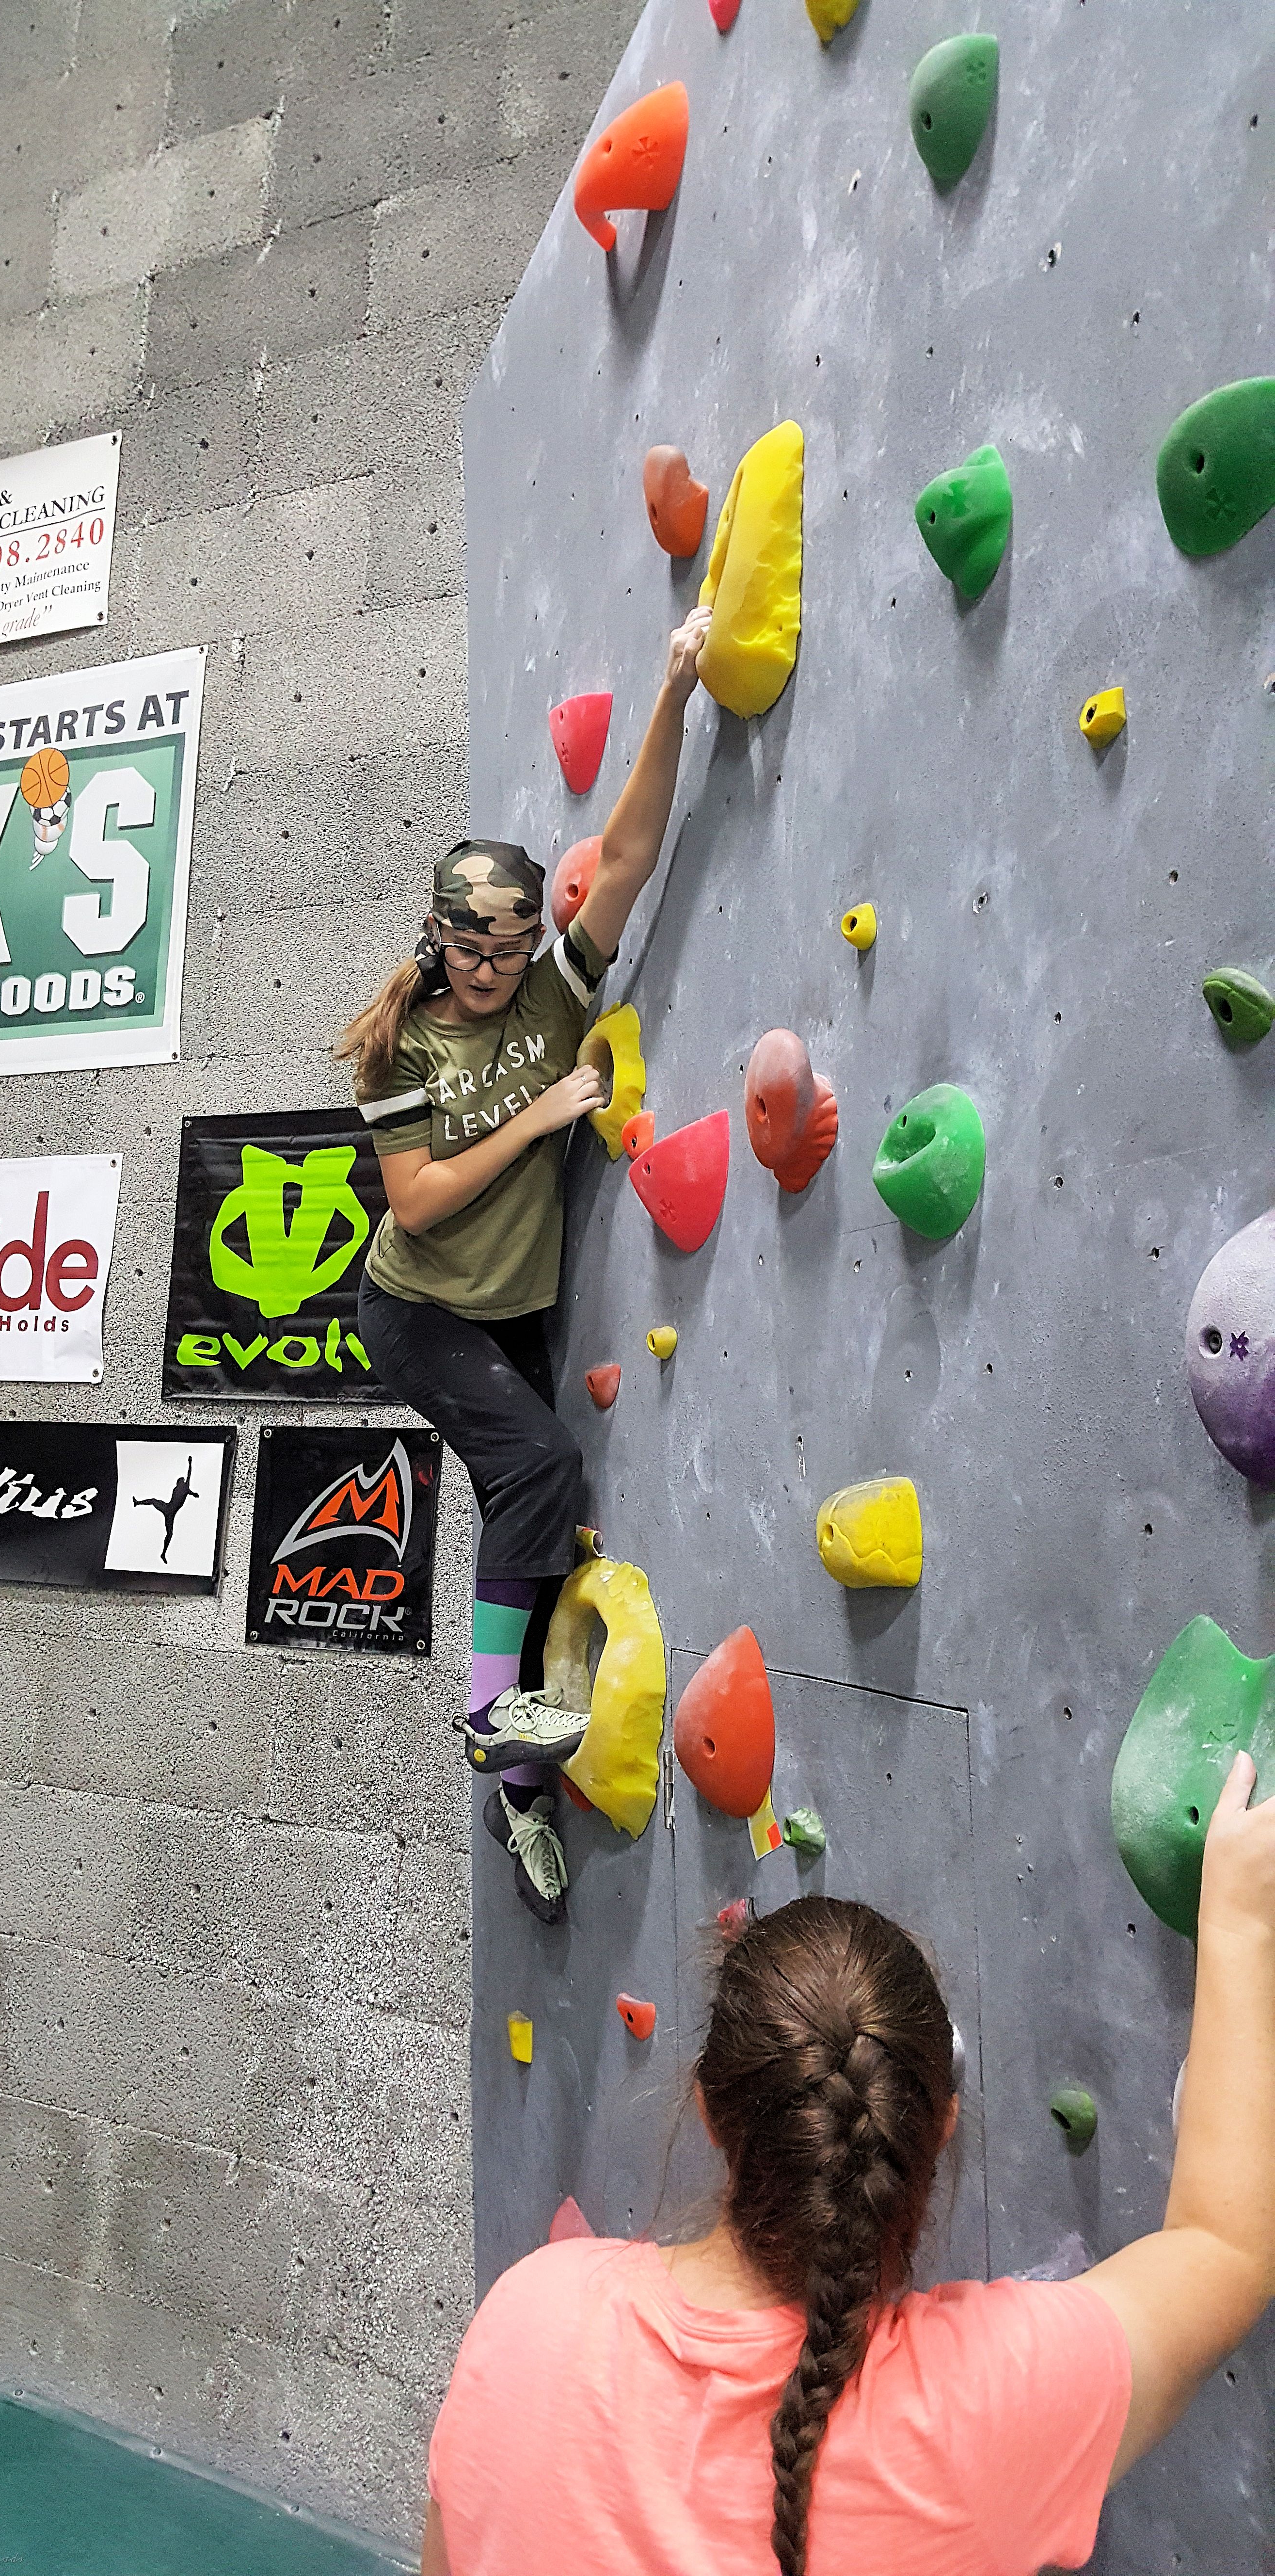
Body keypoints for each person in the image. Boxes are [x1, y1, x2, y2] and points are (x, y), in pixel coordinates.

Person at [420, 1747, 1275, 2574]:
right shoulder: (976, 2412)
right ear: (940, 2124)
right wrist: (1237, 1922)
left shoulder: (530, 2322)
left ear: (710, 2110)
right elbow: (1223, 2250)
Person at [338, 607, 712, 1927]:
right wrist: (542, 1116)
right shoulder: (410, 1050)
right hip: (419, 1311)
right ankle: (493, 1722)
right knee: (540, 1468)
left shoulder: (553, 996)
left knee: (543, 1539)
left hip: (520, 1310)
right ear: (437, 937)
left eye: (512, 945)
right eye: (473, 946)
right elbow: (423, 1203)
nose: (498, 967)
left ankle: (517, 1794)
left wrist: (673, 687)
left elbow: (626, 850)